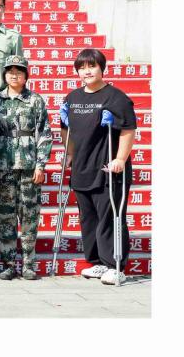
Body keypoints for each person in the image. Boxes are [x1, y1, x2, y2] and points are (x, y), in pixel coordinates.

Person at [61, 48, 137, 285]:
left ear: (101, 68)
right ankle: (97, 262)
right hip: (82, 167)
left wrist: (121, 159)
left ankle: (115, 265)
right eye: (82, 68)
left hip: (108, 168)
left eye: (91, 66)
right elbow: (65, 127)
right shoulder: (72, 98)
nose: (87, 71)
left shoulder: (116, 98)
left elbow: (128, 129)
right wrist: (70, 153)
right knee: (89, 219)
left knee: (110, 217)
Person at [0, 55, 52, 280]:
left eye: (19, 71)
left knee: (28, 216)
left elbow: (44, 134)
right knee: (5, 217)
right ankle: (8, 264)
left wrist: (41, 165)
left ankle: (28, 264)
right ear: (4, 75)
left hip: (28, 167)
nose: (14, 75)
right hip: (3, 168)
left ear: (26, 76)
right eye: (10, 71)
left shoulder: (35, 100)